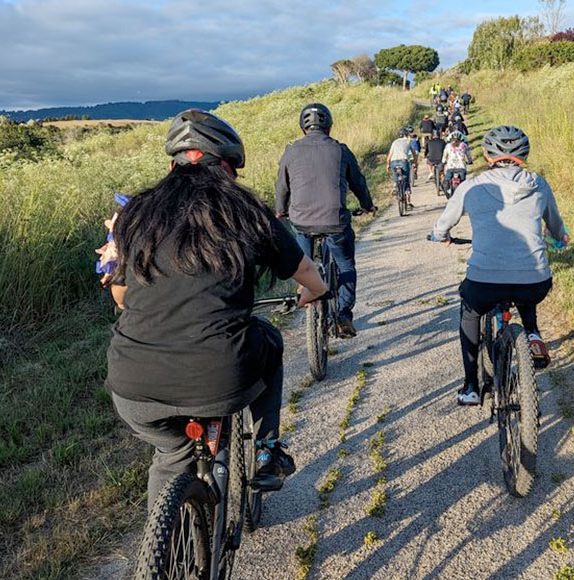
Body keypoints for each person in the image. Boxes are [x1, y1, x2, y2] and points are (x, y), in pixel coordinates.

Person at [104, 109, 329, 511]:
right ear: (226, 165)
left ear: (173, 163)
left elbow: (120, 297)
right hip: (221, 373)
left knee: (171, 456)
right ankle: (265, 449)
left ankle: (164, 559)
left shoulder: (136, 212)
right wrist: (316, 292)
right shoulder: (243, 208)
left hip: (133, 380)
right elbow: (305, 272)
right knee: (270, 340)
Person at [430, 125, 569, 406]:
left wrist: (440, 236)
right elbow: (555, 227)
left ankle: (471, 386)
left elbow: (444, 224)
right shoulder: (538, 184)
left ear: (487, 154)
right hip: (535, 280)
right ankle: (531, 332)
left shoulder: (471, 187)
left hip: (485, 282)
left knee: (470, 312)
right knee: (524, 281)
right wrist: (559, 237)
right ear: (524, 154)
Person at [275, 103, 377, 338]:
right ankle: (343, 315)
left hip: (301, 222)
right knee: (345, 265)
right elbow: (358, 183)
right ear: (329, 126)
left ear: (303, 128)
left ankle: (307, 286)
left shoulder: (290, 151)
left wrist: (281, 210)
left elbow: (282, 186)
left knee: (303, 263)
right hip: (335, 222)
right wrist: (367, 205)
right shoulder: (341, 150)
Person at [387, 127, 414, 209]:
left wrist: (388, 164)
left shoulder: (394, 142)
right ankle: (407, 194)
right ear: (406, 134)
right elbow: (413, 153)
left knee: (396, 175)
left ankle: (395, 185)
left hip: (393, 162)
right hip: (403, 161)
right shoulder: (408, 141)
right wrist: (415, 162)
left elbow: (389, 156)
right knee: (406, 178)